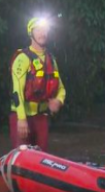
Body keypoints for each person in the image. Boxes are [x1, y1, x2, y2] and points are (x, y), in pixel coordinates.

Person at [9, 17, 66, 151]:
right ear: (31, 33)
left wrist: (59, 100)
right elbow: (17, 91)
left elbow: (61, 88)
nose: (43, 33)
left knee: (42, 156)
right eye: (38, 30)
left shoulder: (50, 59)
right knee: (23, 156)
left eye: (45, 30)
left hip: (41, 117)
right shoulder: (22, 59)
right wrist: (21, 118)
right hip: (23, 116)